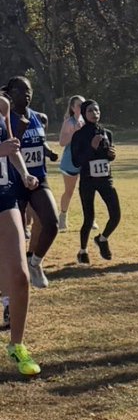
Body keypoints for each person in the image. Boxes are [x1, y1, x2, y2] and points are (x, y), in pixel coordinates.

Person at [5, 78, 59, 289]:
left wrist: (48, 151)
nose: (26, 95)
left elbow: (39, 141)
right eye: (20, 91)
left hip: (38, 178)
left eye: (29, 91)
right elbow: (12, 146)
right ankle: (12, 280)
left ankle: (34, 262)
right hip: (13, 181)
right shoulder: (5, 118)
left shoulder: (39, 117)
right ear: (10, 94)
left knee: (51, 223)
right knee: (16, 234)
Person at [0, 108, 41, 376]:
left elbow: (11, 147)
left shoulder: (2, 105)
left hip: (4, 196)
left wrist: (24, 172)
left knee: (20, 276)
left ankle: (17, 344)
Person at [69, 101, 120, 264]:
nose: (94, 113)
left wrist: (111, 155)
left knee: (116, 215)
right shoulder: (79, 135)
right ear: (84, 113)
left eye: (97, 110)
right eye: (90, 110)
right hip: (88, 180)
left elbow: (107, 156)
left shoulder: (107, 133)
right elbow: (76, 161)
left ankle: (102, 239)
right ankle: (83, 251)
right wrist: (91, 147)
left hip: (105, 179)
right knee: (89, 218)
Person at [57, 95, 85, 232]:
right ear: (73, 108)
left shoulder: (88, 121)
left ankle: (90, 219)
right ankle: (62, 216)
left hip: (86, 161)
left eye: (84, 105)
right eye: (79, 105)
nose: (82, 108)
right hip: (70, 161)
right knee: (70, 191)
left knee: (87, 191)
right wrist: (75, 131)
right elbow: (62, 142)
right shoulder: (69, 122)